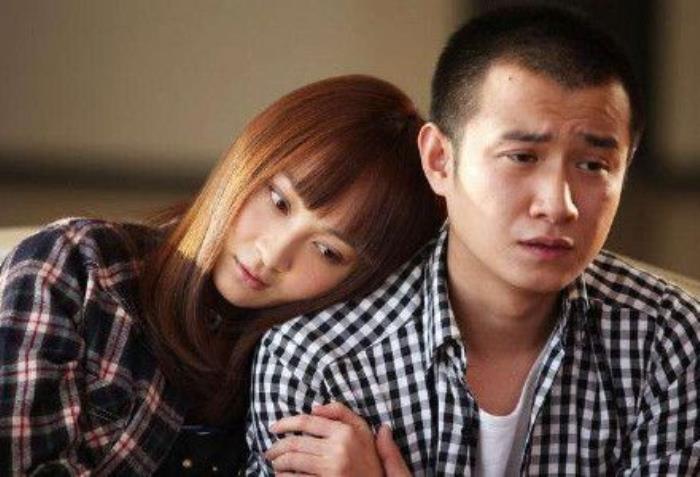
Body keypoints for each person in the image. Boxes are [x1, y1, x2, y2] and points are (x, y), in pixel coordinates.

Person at [247, 6, 700, 476]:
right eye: (522, 156)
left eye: (593, 165)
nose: (557, 204)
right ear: (440, 160)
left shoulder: (667, 343)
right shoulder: (320, 359)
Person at [0, 75, 445, 476]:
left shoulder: (304, 379)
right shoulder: (80, 267)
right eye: (279, 201)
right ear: (249, 157)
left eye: (328, 251)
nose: (274, 253)